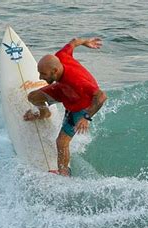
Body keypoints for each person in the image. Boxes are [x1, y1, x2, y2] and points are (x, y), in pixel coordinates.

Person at [23, 37, 107, 176]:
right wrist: (86, 42)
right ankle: (45, 113)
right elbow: (73, 42)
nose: (40, 77)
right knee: (33, 97)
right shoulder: (61, 56)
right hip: (63, 90)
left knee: (61, 142)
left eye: (43, 74)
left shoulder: (77, 80)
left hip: (80, 105)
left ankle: (64, 173)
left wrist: (86, 117)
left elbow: (101, 96)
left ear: (55, 71)